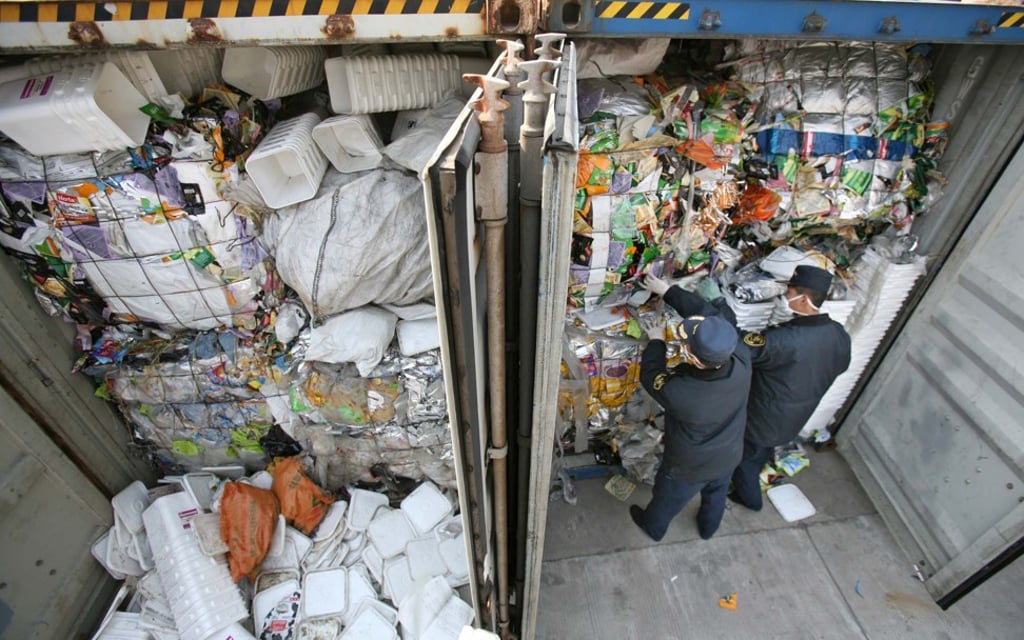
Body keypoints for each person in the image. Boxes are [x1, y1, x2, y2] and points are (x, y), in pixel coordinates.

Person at [630, 275, 751, 541]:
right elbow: (710, 316)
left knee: (668, 498)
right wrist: (668, 291)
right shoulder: (740, 355)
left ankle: (653, 527)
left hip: (688, 467)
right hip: (729, 454)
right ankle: (708, 528)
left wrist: (656, 342)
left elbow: (651, 375)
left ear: (693, 358)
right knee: (716, 495)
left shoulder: (682, 393)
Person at [729, 264, 852, 511]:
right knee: (761, 452)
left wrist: (721, 311)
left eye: (788, 293)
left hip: (763, 418)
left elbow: (742, 346)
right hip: (795, 416)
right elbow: (841, 365)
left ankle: (749, 499)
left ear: (804, 299)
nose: (784, 298)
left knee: (745, 461)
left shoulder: (784, 340)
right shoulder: (837, 333)